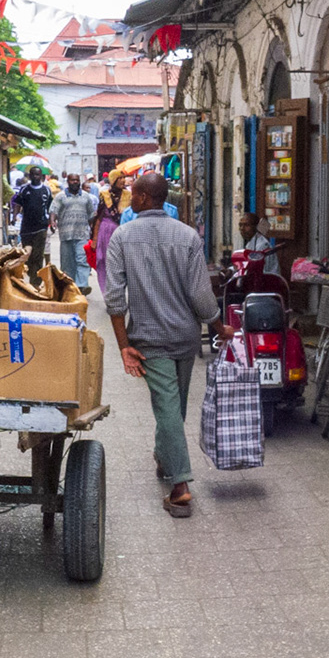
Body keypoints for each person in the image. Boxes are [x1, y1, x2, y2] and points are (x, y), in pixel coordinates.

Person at [104, 172, 232, 518]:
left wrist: (123, 346)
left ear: (145, 198)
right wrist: (219, 327)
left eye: (134, 193)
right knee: (173, 407)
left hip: (150, 340)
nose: (129, 197)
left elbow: (114, 299)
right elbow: (201, 295)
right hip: (185, 337)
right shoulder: (187, 236)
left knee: (168, 408)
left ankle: (180, 488)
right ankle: (165, 458)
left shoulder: (122, 237)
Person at [52, 171, 98, 290]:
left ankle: (82, 286)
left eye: (77, 180)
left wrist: (94, 230)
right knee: (67, 263)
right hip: (66, 234)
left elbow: (91, 214)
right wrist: (52, 221)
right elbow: (54, 210)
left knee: (82, 260)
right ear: (68, 182)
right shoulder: (60, 196)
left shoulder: (86, 196)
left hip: (82, 233)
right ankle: (70, 287)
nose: (75, 182)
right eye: (73, 180)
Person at [91, 173, 126, 291]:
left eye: (123, 178)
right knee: (103, 260)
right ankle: (106, 290)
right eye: (119, 178)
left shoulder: (129, 195)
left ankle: (118, 289)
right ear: (113, 180)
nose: (123, 180)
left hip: (122, 230)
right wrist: (95, 239)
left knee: (120, 262)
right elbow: (98, 218)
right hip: (105, 231)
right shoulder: (105, 195)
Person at [11, 167, 52, 265]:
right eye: (33, 174)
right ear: (29, 176)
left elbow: (51, 208)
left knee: (38, 254)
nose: (35, 177)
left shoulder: (46, 190)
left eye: (37, 175)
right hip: (26, 227)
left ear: (41, 176)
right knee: (27, 253)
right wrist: (14, 217)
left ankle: (36, 274)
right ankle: (28, 270)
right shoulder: (24, 189)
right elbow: (18, 204)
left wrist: (52, 221)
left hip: (41, 227)